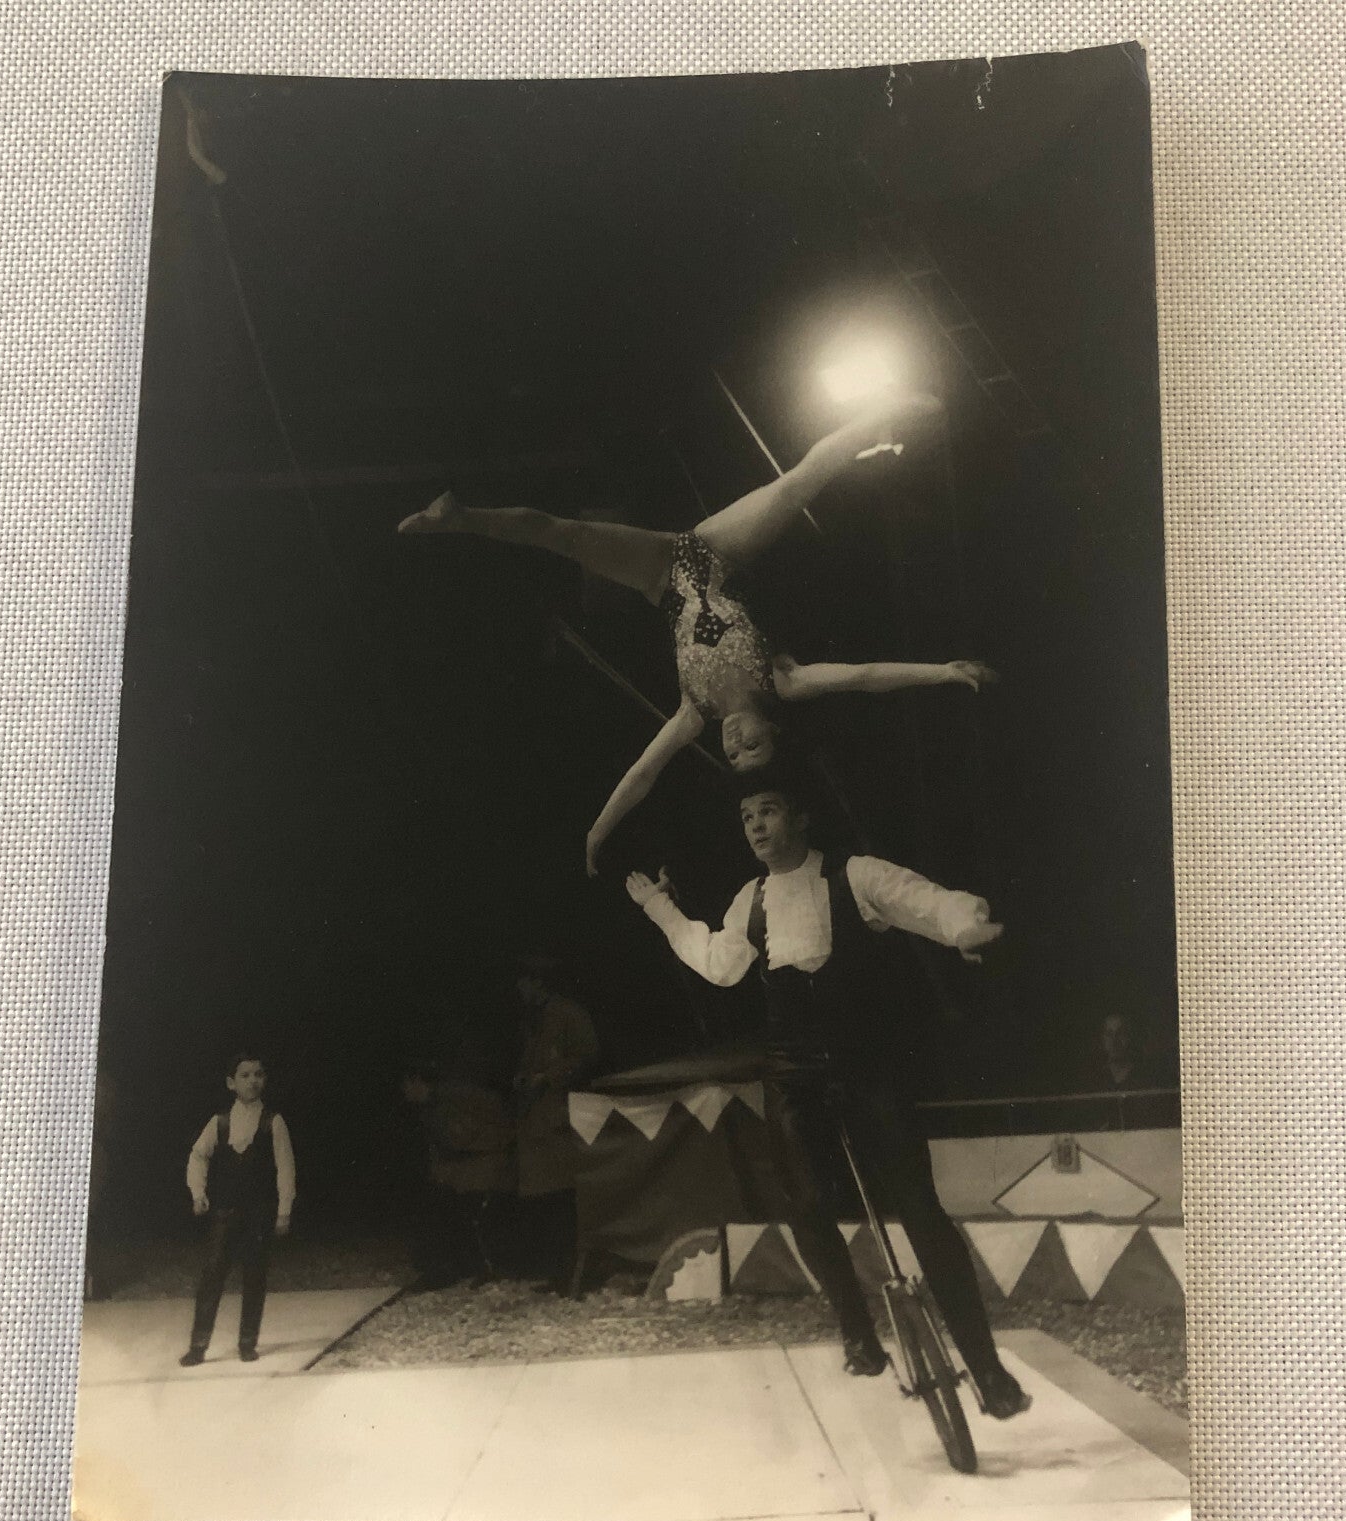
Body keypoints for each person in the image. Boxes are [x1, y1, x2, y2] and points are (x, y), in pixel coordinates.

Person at [399, 395, 994, 875]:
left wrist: (597, 831)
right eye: (751, 746)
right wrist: (941, 671)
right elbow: (865, 677)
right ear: (773, 731)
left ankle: (462, 520)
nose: (734, 742)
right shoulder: (784, 682)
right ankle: (880, 416)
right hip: (715, 554)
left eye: (732, 752)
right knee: (794, 487)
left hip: (661, 574)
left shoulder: (693, 711)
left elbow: (640, 775)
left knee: (566, 535)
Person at [623, 766, 1031, 1419]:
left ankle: (989, 1373)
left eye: (769, 810)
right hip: (794, 1073)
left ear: (801, 817)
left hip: (867, 1065)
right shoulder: (747, 902)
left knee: (920, 1210)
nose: (756, 825)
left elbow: (925, 901)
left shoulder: (856, 875)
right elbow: (716, 964)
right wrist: (659, 908)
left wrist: (965, 928)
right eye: (747, 816)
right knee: (803, 1201)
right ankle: (858, 1333)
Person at [179, 1055, 296, 1366]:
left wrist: (284, 1210)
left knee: (255, 1277)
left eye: (258, 1074)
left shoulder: (274, 1122)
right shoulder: (220, 1122)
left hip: (259, 1214)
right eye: (244, 1075)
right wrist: (198, 1192)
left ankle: (247, 1343)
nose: (252, 1081)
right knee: (212, 1276)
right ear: (231, 1083)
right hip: (224, 1213)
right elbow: (198, 1155)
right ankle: (198, 1345)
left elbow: (286, 1168)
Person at [401, 1024, 517, 1289]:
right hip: (471, 1169)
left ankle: (449, 1270)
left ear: (417, 1081)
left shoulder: (449, 1100)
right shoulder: (440, 1102)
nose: (404, 1092)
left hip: (483, 1169)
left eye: (406, 1084)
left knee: (444, 1206)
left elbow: (463, 1139)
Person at [513, 959, 600, 1293]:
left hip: (561, 1116)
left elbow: (588, 1057)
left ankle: (572, 1275)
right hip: (536, 1120)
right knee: (546, 1200)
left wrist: (548, 1077)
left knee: (565, 1198)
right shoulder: (532, 1021)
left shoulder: (569, 1014)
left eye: (524, 983)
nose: (520, 991)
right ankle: (553, 1272)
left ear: (538, 982)